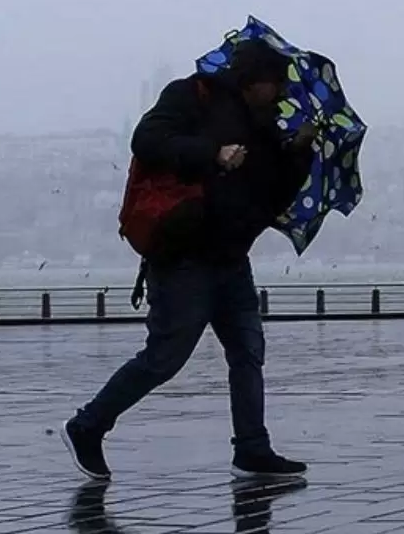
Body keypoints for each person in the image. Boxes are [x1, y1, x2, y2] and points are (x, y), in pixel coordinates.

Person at [61, 38, 315, 481]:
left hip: (232, 258)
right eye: (275, 84)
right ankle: (88, 425)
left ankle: (252, 449)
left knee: (247, 352)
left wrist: (298, 152)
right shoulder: (191, 95)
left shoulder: (267, 127)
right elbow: (147, 139)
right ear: (252, 80)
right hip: (184, 258)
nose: (280, 95)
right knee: (165, 357)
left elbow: (274, 196)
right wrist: (212, 154)